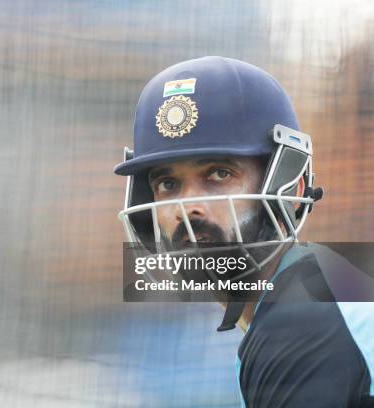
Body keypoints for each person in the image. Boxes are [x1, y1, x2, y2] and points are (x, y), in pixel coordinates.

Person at [114, 56, 374, 407]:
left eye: (219, 174)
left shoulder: (301, 322)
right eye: (168, 183)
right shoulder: (316, 290)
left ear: (292, 188)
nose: (188, 207)